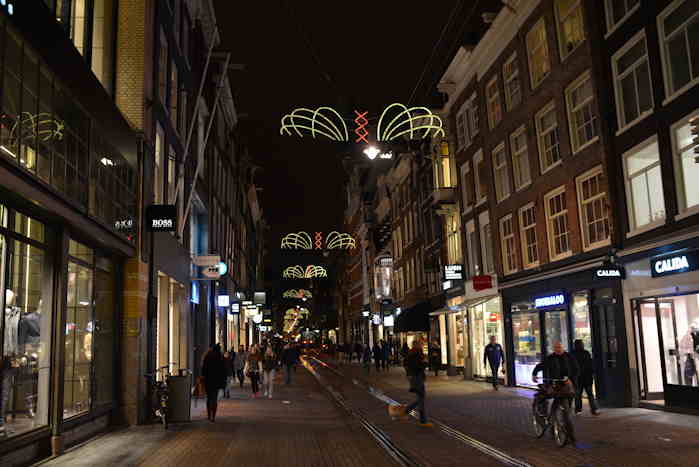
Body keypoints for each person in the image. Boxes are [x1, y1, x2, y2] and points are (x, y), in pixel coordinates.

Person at [532, 341, 580, 439]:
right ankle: (553, 427)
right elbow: (540, 366)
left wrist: (569, 378)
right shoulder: (550, 358)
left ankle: (566, 432)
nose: (558, 349)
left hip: (567, 387)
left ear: (563, 348)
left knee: (566, 411)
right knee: (555, 404)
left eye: (559, 347)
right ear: (554, 349)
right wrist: (534, 374)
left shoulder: (569, 357)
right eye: (556, 348)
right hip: (555, 386)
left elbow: (576, 370)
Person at [398, 339, 432, 427]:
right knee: (421, 398)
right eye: (420, 344)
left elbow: (407, 365)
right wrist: (425, 363)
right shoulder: (416, 354)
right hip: (417, 377)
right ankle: (407, 411)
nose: (421, 345)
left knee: (421, 398)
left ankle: (420, 419)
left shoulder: (412, 353)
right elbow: (418, 367)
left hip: (415, 377)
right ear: (417, 345)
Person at [571, 339, 599, 415]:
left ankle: (578, 410)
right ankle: (593, 410)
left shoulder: (572, 354)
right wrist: (592, 373)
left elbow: (571, 367)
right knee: (590, 394)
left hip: (578, 378)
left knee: (578, 395)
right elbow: (590, 364)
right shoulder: (586, 353)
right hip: (586, 377)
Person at [201, 344, 226, 422]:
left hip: (208, 380)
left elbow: (203, 369)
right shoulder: (221, 358)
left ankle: (209, 415)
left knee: (209, 398)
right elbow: (223, 371)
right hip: (216, 381)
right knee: (214, 398)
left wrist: (203, 377)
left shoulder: (207, 357)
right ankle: (213, 416)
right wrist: (223, 382)